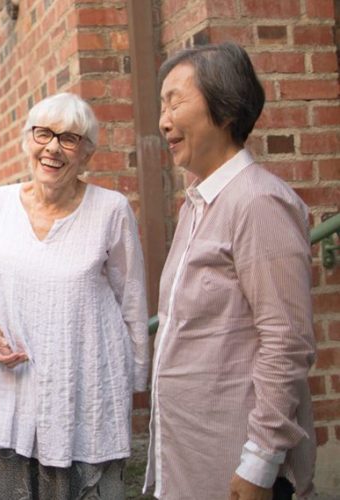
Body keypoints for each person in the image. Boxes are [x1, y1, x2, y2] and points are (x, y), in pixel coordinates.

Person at [145, 42, 317, 500]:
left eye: (175, 101)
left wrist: (259, 463)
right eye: (162, 105)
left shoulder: (258, 202)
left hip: (235, 471)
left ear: (224, 107)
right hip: (190, 461)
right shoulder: (198, 204)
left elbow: (286, 339)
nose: (163, 121)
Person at [0, 92, 149, 500]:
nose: (53, 147)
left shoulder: (111, 210)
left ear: (87, 153)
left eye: (69, 139)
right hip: (14, 390)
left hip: (84, 392)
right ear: (26, 140)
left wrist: (135, 383)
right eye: (43, 134)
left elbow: (133, 301)